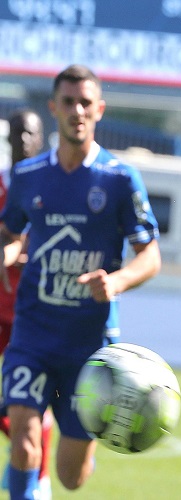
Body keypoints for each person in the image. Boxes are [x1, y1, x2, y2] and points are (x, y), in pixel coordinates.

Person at [0, 64, 161, 499]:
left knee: (71, 477)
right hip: (32, 336)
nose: (77, 111)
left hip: (89, 348)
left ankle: (71, 440)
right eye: (68, 102)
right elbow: (10, 231)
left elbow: (150, 256)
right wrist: (9, 251)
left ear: (99, 110)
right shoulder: (28, 176)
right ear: (53, 107)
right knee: (24, 444)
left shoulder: (119, 179)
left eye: (85, 103)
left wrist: (117, 282)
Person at [0, 109, 54, 499]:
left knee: (33, 405)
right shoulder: (2, 184)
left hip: (33, 314)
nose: (22, 139)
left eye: (29, 133)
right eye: (17, 133)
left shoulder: (51, 185)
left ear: (40, 139)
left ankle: (38, 475)